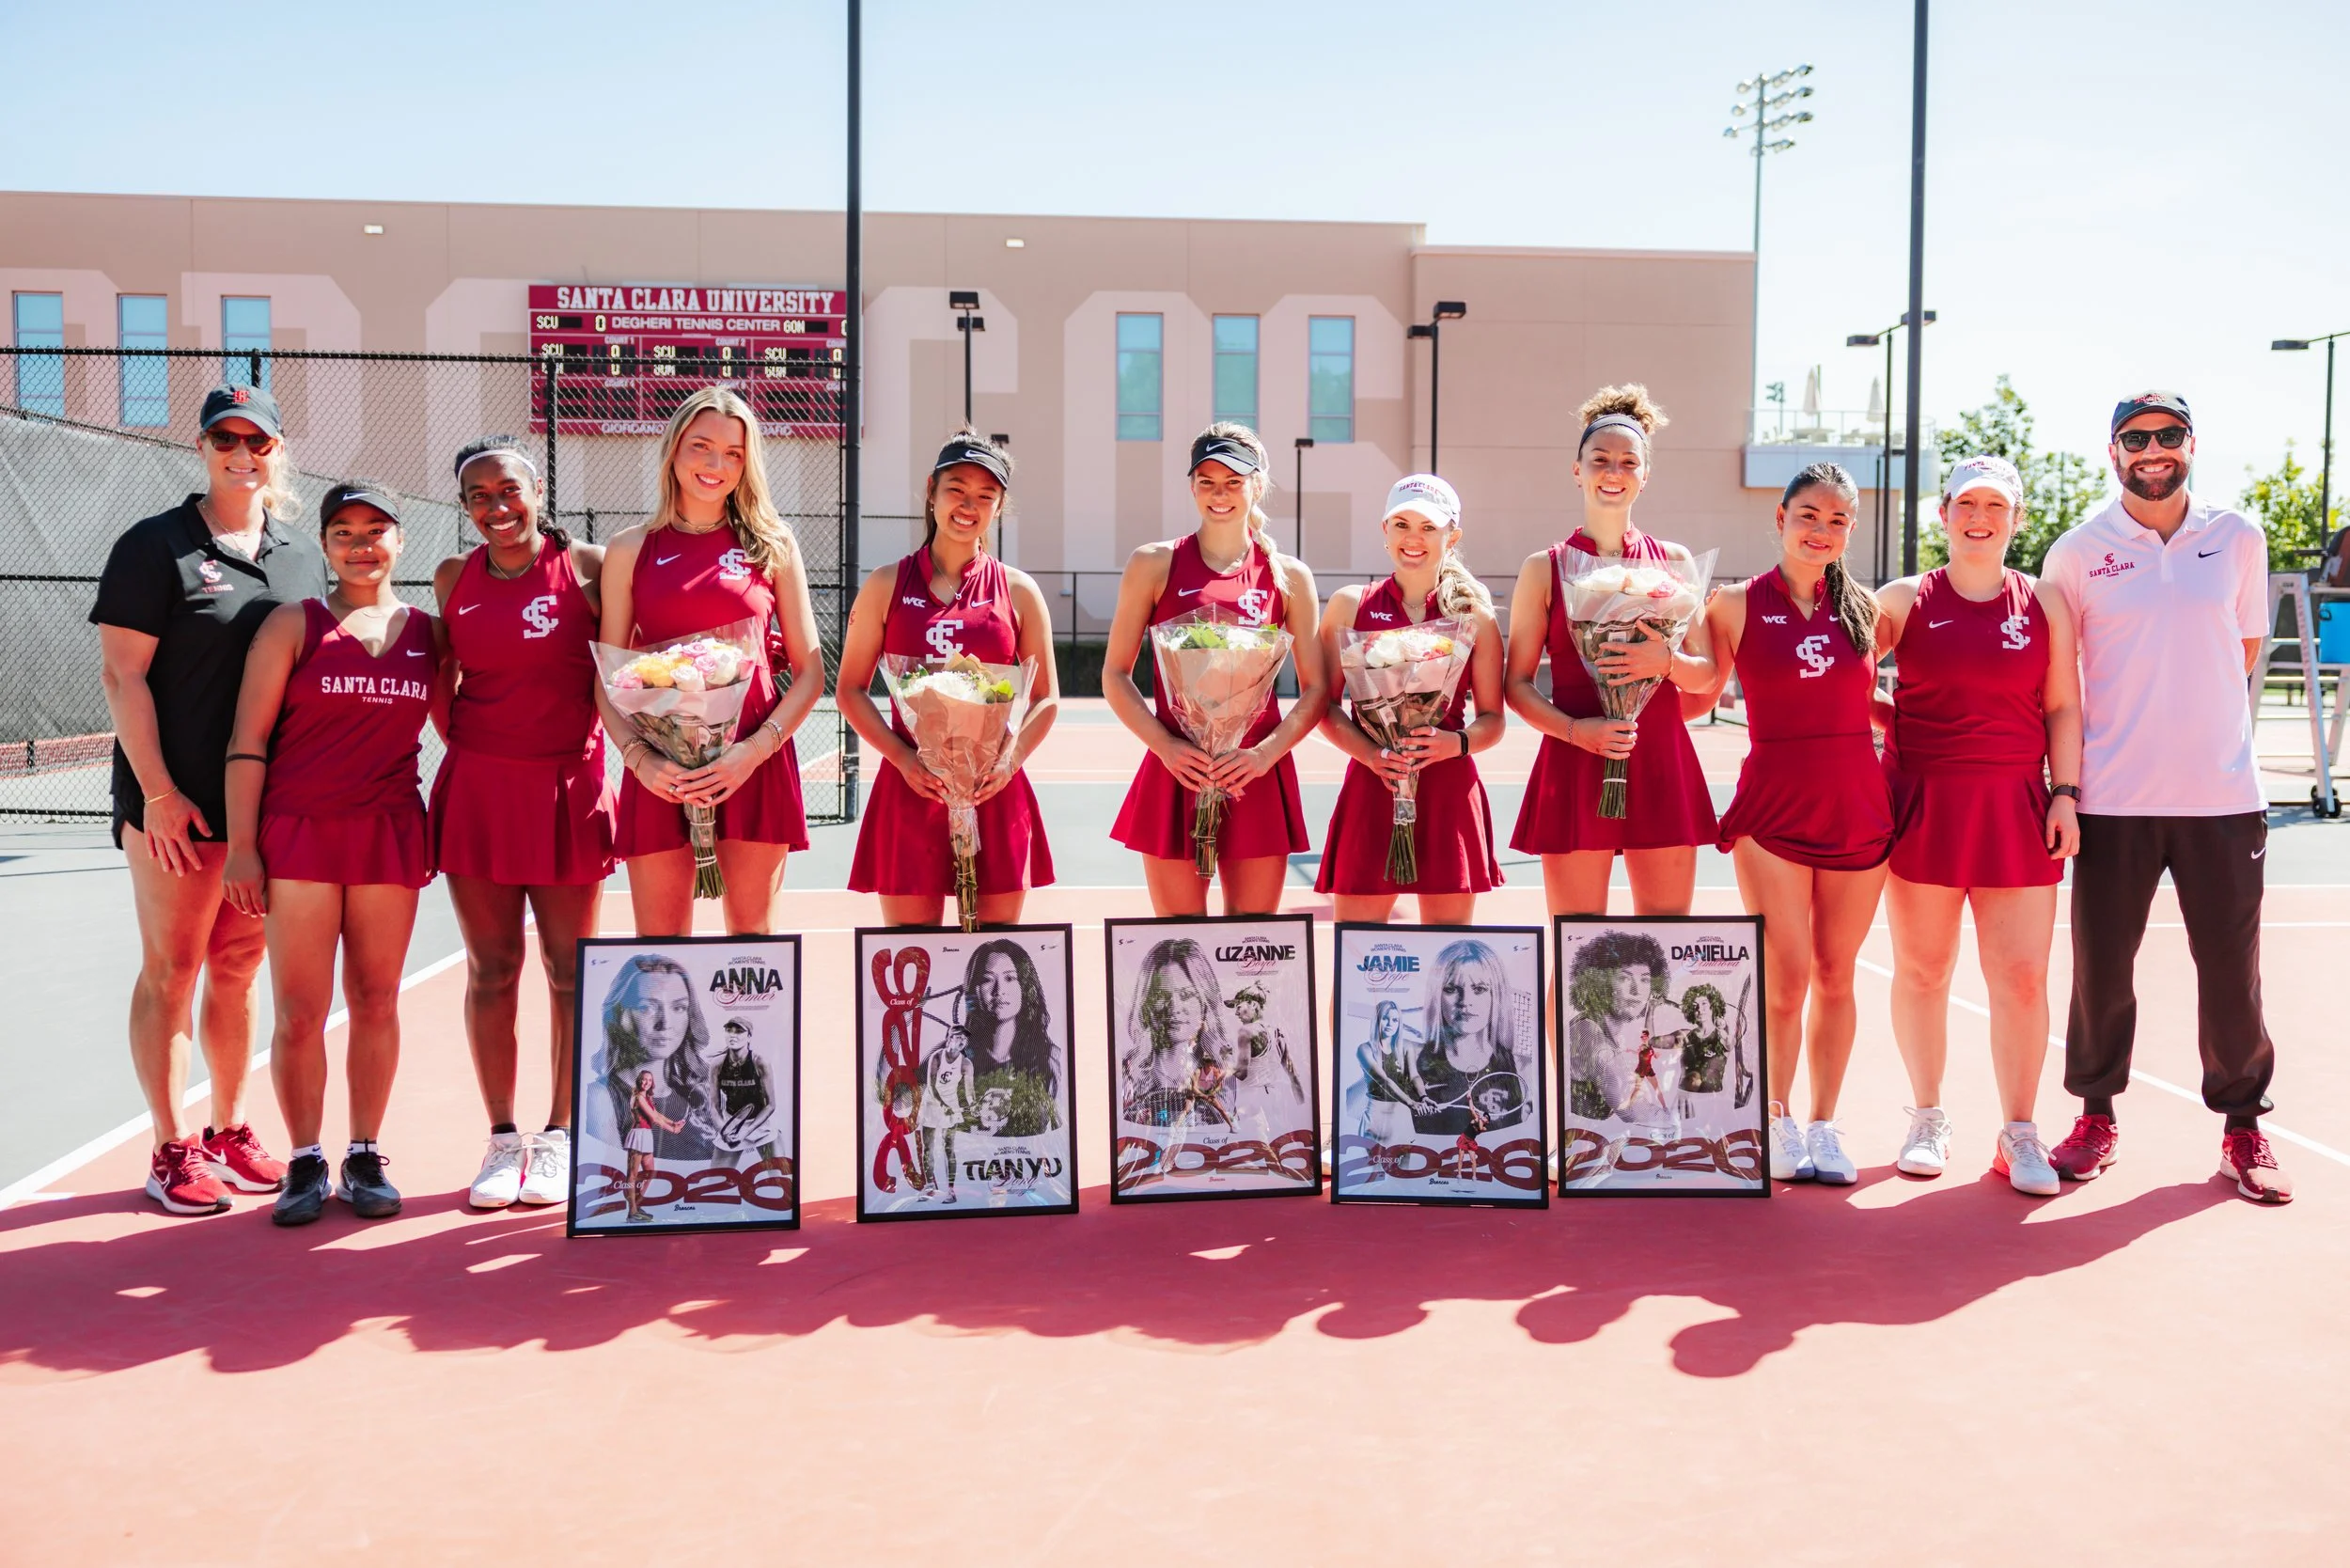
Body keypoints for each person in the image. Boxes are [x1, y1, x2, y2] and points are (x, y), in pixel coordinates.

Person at [2039, 392, 2292, 1203]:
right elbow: (2059, 681)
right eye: (2136, 437)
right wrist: (2065, 786)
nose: (2154, 449)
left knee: (2231, 973)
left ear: (2191, 443)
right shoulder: (2077, 552)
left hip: (2223, 797)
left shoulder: (2238, 536)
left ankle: (2243, 1128)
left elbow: (2240, 649)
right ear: (2113, 452)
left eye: (2169, 435)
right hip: (2113, 799)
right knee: (2102, 970)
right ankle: (2095, 1118)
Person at [92, 384, 326, 1215]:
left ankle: (228, 1129)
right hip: (176, 807)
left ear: (277, 451)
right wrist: (157, 793)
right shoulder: (153, 546)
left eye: (257, 441)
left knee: (237, 965)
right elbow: (122, 676)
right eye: (224, 438)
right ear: (201, 448)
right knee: (173, 969)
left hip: (263, 810)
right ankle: (170, 1147)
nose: (241, 453)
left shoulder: (302, 554)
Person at [222, 482, 438, 1226]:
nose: (360, 545)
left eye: (376, 530)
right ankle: (307, 1158)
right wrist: (243, 847)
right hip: (301, 833)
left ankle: (365, 1154)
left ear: (400, 540)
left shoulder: (431, 635)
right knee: (300, 1011)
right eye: (343, 532)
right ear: (323, 546)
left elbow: (467, 727)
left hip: (389, 832)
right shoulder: (294, 623)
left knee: (377, 999)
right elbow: (248, 739)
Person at [1873, 456, 2082, 1198]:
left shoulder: (2046, 601)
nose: (1980, 518)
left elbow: (2063, 705)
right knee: (1923, 970)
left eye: (1996, 506)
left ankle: (2019, 1131)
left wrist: (2066, 793)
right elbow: (1840, 676)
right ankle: (1927, 1117)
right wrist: (1894, 723)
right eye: (1967, 504)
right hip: (1922, 805)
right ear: (1944, 515)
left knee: (2021, 979)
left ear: (2016, 520)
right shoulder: (1902, 599)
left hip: (2016, 806)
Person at [1690, 463, 1893, 1184]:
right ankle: (1774, 1119)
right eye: (1809, 514)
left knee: (1837, 976)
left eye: (1838, 520)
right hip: (1773, 806)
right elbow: (1697, 695)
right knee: (1787, 976)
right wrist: (1658, 659)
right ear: (1781, 519)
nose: (1821, 530)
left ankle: (1824, 1125)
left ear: (1850, 531)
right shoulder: (1732, 605)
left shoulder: (1869, 611)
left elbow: (1865, 703)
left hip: (1856, 805)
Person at [429, 436, 613, 1211]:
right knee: (492, 967)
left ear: (537, 491)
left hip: (569, 785)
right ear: (465, 507)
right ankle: (503, 1140)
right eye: (479, 496)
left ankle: (560, 1136)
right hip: (481, 789)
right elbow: (442, 675)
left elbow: (624, 665)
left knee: (570, 971)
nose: (496, 507)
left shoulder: (590, 567)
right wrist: (477, 753)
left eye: (508, 490)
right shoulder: (453, 577)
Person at [599, 387, 824, 937]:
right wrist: (641, 761)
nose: (715, 464)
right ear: (674, 449)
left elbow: (811, 673)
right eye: (701, 446)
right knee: (661, 948)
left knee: (752, 946)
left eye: (733, 453)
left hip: (752, 764)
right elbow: (608, 676)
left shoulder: (773, 543)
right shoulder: (630, 548)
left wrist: (751, 753)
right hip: (662, 770)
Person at [1506, 386, 1719, 917]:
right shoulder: (1544, 567)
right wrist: (1577, 732)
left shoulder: (1674, 560)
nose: (1613, 472)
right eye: (1600, 459)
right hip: (1577, 758)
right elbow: (1517, 685)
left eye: (1629, 462)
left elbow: (1707, 676)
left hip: (1660, 761)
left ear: (1645, 476)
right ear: (1576, 470)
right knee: (1576, 943)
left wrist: (1666, 664)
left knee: (1666, 940)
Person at [1104, 424, 1327, 916]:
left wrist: (1264, 755)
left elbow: (1317, 690)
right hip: (1178, 770)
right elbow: (1115, 674)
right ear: (1192, 487)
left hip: (1254, 774)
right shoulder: (1153, 563)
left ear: (1257, 486)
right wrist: (1166, 746)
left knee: (1251, 942)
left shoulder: (1289, 576)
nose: (1219, 493)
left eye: (1233, 482)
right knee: (1180, 940)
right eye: (1207, 481)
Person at [840, 431, 1059, 924]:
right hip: (913, 787)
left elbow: (1046, 698)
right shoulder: (886, 584)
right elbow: (850, 689)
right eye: (956, 489)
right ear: (931, 491)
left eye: (985, 495)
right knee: (912, 952)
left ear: (999, 508)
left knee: (994, 952)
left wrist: (1009, 762)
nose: (968, 505)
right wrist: (902, 758)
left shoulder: (1019, 591)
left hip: (993, 790)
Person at [1315, 475, 1505, 922]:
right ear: (1385, 530)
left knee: (1447, 953)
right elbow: (1324, 706)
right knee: (1358, 952)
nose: (1413, 538)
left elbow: (1494, 719)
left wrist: (1454, 743)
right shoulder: (1349, 605)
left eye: (1428, 527)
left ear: (1451, 536)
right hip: (1373, 786)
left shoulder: (1475, 615)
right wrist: (1373, 755)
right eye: (1401, 525)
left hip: (1447, 792)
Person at [589, 955, 712, 1165]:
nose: (665, 1023)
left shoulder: (701, 1091)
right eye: (647, 1007)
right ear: (620, 1015)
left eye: (678, 1008)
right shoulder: (602, 1097)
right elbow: (609, 1173)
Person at [1409, 939, 1530, 1137]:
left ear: (1496, 996)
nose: (1465, 1001)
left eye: (1479, 989)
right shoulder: (1412, 1062)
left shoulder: (1523, 1069)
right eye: (1451, 989)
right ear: (1437, 996)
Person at [1120, 937, 1232, 1129]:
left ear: (1205, 1003)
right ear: (1146, 1004)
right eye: (1161, 996)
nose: (1174, 1007)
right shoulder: (1128, 1070)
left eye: (1187, 995)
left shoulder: (1225, 1068)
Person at [960, 938, 1061, 1137]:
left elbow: (1057, 1133)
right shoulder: (953, 1059)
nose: (999, 990)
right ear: (974, 989)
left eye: (1009, 978)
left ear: (1025, 986)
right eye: (987, 979)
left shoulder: (1050, 1059)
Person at [621, 1070, 686, 1224]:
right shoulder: (638, 1097)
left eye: (649, 1080)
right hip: (638, 1136)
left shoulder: (647, 1098)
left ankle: (637, 1205)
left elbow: (658, 1115)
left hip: (646, 1136)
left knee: (649, 1173)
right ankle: (632, 1212)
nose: (646, 1082)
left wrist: (673, 1123)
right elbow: (653, 1119)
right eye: (644, 1079)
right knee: (632, 1175)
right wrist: (672, 1130)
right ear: (639, 1080)